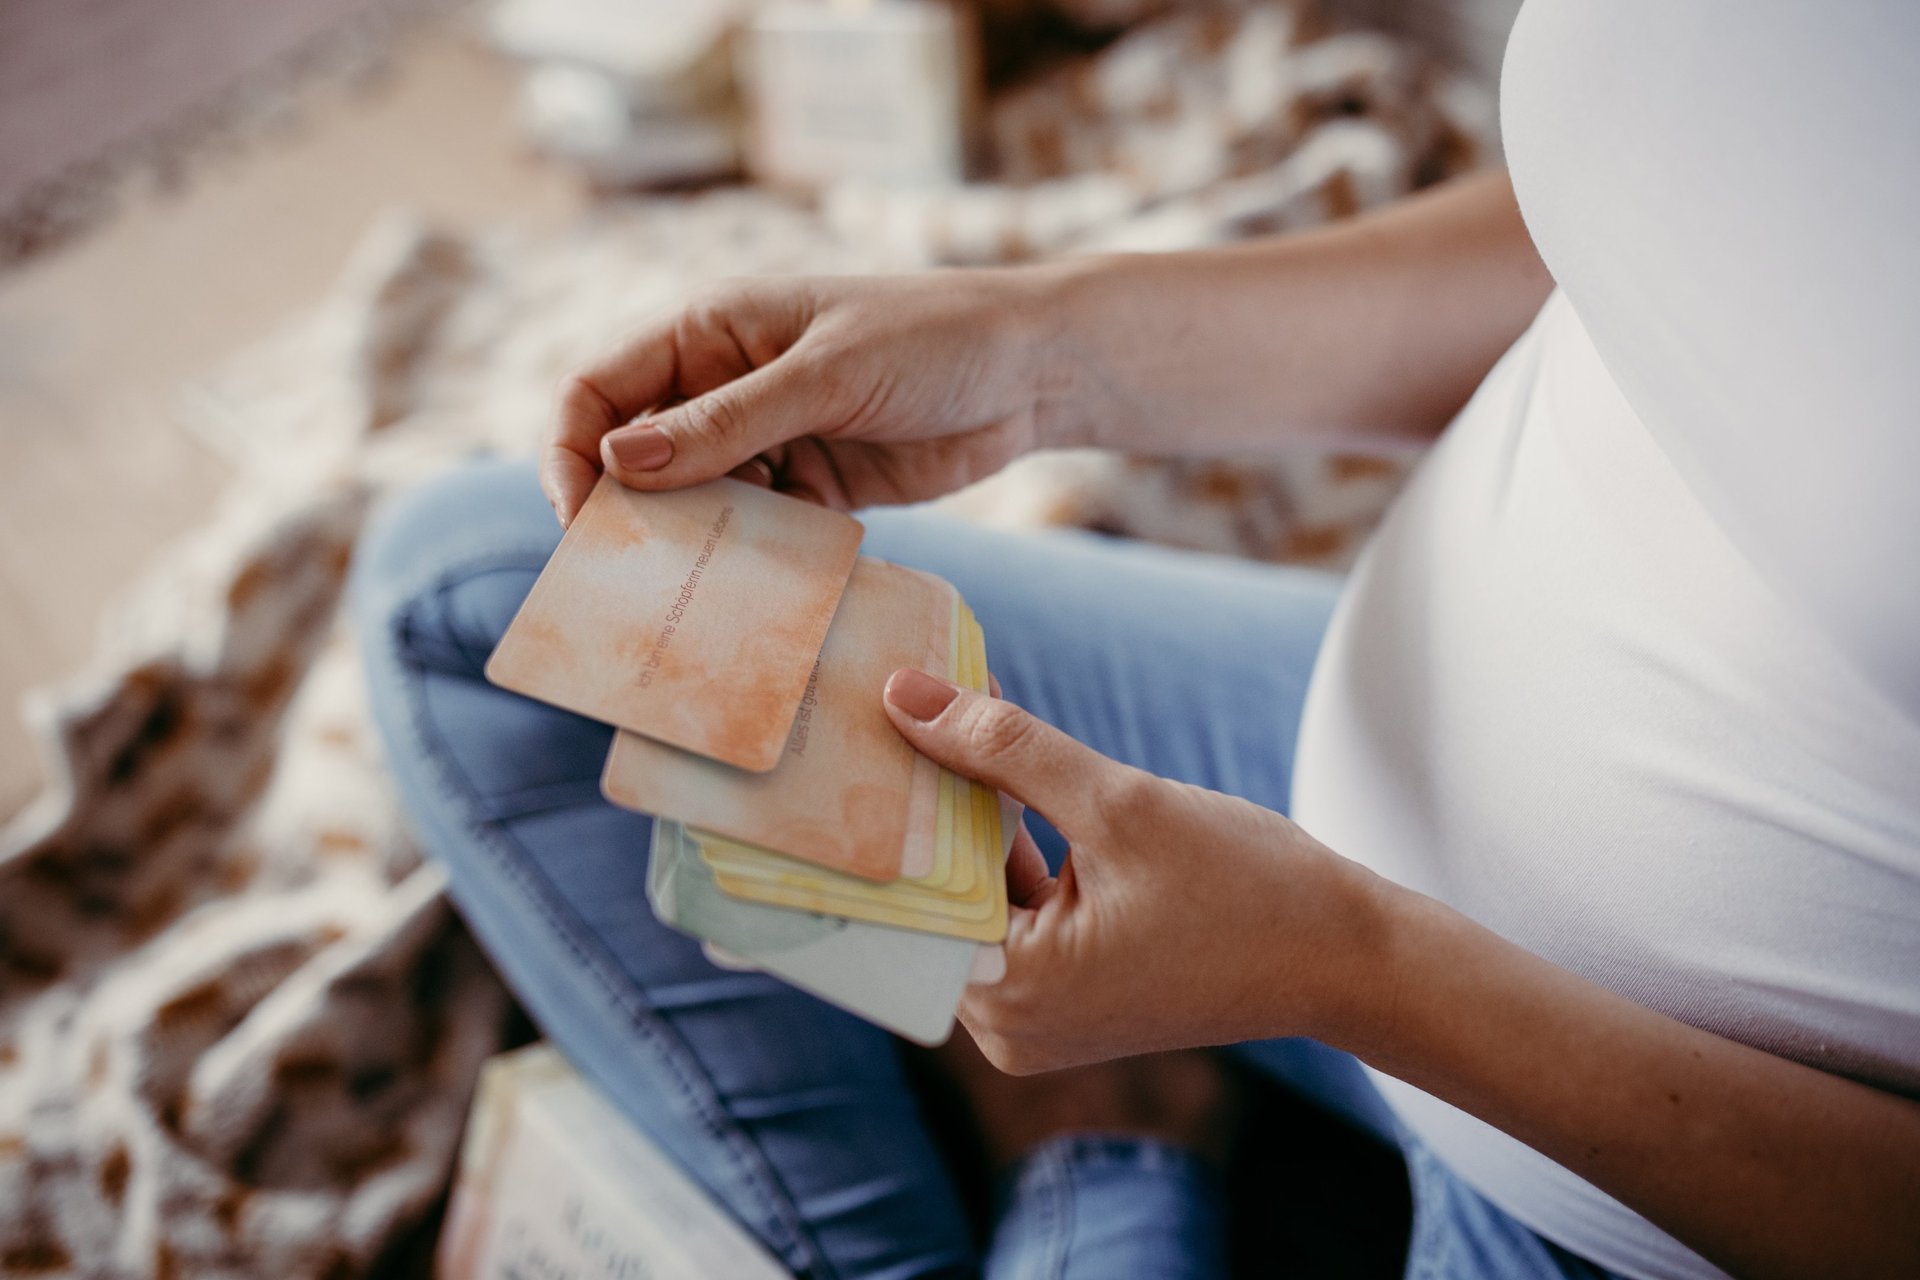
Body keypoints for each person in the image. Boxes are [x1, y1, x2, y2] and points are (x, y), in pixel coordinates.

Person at [352, 4, 1920, 1278]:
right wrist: (1037, 351)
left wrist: (1349, 965)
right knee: (474, 581)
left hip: (1608, 1207)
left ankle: (1109, 1160)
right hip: (1330, 725)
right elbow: (1637, 236)